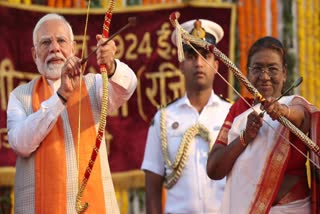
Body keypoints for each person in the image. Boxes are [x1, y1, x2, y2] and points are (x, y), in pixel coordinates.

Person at [6, 13, 137, 213]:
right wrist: (61, 96)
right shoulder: (20, 96)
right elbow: (20, 144)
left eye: (61, 41)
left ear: (73, 48)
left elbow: (127, 87)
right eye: (46, 42)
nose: (55, 48)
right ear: (34, 55)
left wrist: (111, 67)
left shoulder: (93, 85)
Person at [207, 36, 320, 213]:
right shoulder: (240, 109)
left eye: (272, 69)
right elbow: (214, 169)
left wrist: (282, 111)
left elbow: (302, 117)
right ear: (248, 72)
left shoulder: (293, 104)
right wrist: (245, 137)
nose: (264, 77)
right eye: (257, 68)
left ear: (284, 74)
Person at [141, 19, 231, 214]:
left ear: (216, 65)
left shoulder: (232, 114)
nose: (199, 63)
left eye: (205, 55)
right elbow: (152, 187)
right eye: (191, 56)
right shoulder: (163, 118)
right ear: (181, 65)